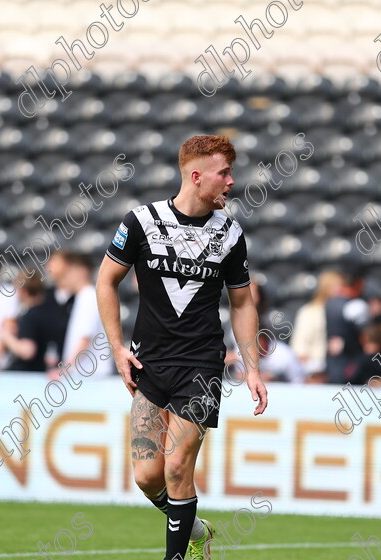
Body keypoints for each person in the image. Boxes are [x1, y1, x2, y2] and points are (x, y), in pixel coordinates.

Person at [96, 135, 267, 560]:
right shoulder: (141, 222)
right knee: (147, 476)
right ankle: (194, 529)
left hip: (201, 367)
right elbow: (105, 282)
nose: (231, 181)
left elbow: (242, 301)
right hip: (150, 363)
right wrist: (118, 349)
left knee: (176, 468)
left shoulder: (229, 233)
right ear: (196, 176)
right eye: (223, 173)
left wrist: (253, 368)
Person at [0, 273, 65, 373]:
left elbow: (27, 351)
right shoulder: (52, 310)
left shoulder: (30, 316)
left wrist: (6, 336)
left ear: (24, 291)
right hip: (46, 372)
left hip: (29, 375)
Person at [62, 252, 113, 378]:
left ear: (82, 271)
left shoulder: (88, 297)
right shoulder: (84, 297)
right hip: (86, 374)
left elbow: (85, 338)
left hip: (90, 375)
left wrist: (65, 369)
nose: (65, 277)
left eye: (68, 272)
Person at [290, 270, 344, 381]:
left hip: (340, 370)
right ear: (326, 288)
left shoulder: (345, 312)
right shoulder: (309, 312)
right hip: (314, 371)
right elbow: (300, 349)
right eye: (337, 287)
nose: (341, 291)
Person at [325, 269, 370, 384]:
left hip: (332, 363)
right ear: (358, 284)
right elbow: (368, 336)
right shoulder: (356, 306)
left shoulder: (329, 303)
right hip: (352, 363)